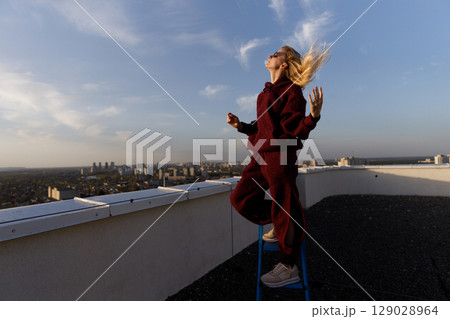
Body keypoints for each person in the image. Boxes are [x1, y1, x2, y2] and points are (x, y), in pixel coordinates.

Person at [227, 43, 328, 288]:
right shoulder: (265, 94)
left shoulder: (292, 92)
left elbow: (295, 128)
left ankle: (288, 267)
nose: (271, 53)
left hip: (279, 157)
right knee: (240, 198)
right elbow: (263, 129)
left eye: (278, 53)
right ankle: (279, 224)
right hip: (260, 156)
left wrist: (312, 117)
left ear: (284, 64)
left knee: (286, 209)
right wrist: (241, 126)